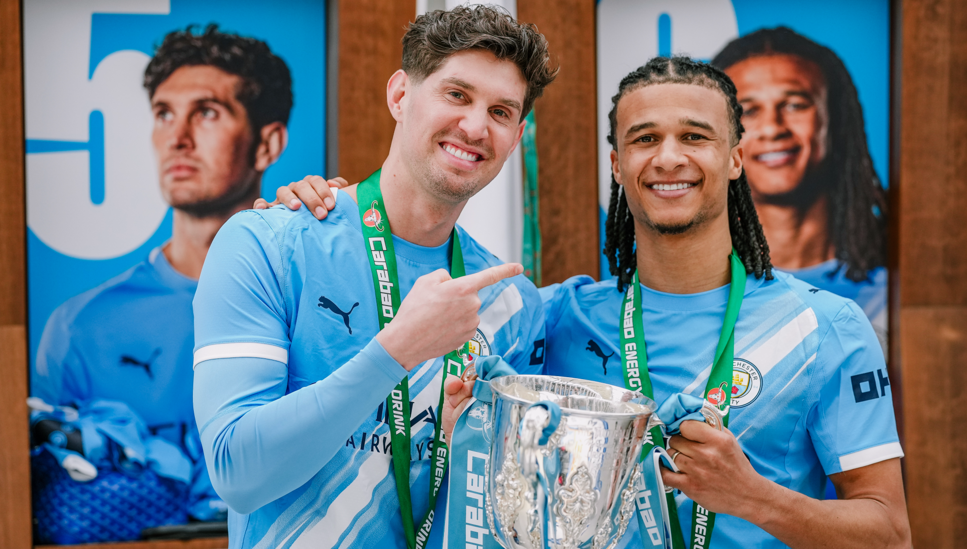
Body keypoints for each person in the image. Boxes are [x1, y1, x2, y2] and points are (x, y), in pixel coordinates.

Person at [276, 56, 909, 548]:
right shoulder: (553, 317)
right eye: (644, 138)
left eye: (695, 137)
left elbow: (890, 534)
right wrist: (323, 214)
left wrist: (750, 496)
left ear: (736, 158)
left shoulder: (823, 326)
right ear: (616, 162)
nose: (668, 158)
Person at [190, 7, 555, 549]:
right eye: (456, 95)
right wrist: (397, 350)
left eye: (500, 112)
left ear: (516, 134)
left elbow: (505, 525)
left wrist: (467, 457)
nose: (476, 126)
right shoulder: (267, 242)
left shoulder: (510, 304)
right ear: (400, 96)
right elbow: (238, 473)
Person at [31, 25, 293, 520]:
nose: (178, 138)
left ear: (267, 143)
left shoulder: (314, 304)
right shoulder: (78, 327)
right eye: (164, 114)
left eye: (207, 112)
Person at [712, 27, 889, 349]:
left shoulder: (899, 279)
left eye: (795, 104)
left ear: (835, 120)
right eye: (747, 111)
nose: (773, 128)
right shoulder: (700, 283)